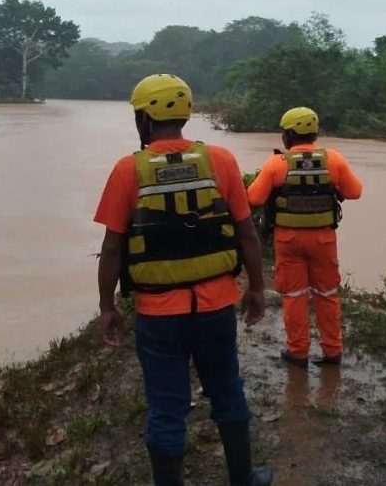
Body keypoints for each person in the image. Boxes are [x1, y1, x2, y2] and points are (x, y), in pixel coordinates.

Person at [94, 73, 273, 485]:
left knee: (167, 406)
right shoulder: (221, 161)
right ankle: (243, 478)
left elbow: (112, 249)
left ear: (144, 119)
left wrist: (107, 307)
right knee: (227, 389)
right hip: (216, 307)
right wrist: (257, 287)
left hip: (158, 315)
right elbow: (247, 232)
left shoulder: (128, 170)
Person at [247, 107, 363, 367]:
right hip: (323, 240)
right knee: (327, 293)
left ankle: (297, 352)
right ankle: (333, 351)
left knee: (294, 295)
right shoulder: (333, 160)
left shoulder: (277, 164)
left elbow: (253, 198)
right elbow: (355, 192)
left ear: (288, 135)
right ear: (314, 133)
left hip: (288, 241)